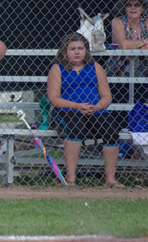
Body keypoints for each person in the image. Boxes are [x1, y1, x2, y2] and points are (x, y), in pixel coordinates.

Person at [47, 32, 124, 188]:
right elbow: (54, 99)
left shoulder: (95, 67)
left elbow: (107, 96)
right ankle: (71, 179)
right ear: (64, 51)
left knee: (111, 130)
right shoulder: (57, 68)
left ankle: (110, 180)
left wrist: (95, 107)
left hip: (95, 110)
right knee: (75, 128)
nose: (77, 52)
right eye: (72, 49)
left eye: (80, 48)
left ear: (86, 50)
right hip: (68, 110)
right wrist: (78, 106)